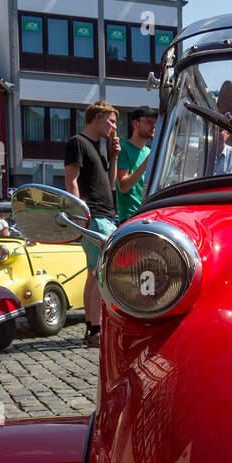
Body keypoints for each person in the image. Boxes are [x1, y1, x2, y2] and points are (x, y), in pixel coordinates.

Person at [64, 101, 120, 341]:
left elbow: (110, 184)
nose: (113, 126)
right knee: (100, 272)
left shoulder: (98, 148)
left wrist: (113, 157)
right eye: (111, 120)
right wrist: (79, 214)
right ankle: (96, 328)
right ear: (97, 117)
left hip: (103, 214)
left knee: (93, 273)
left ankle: (91, 326)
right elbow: (70, 180)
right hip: (94, 216)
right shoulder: (78, 142)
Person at [116, 106, 158, 223]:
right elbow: (123, 186)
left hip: (148, 216)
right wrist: (147, 162)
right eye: (149, 122)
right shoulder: (123, 149)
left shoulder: (149, 152)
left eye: (155, 123)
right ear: (135, 124)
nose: (153, 126)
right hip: (129, 218)